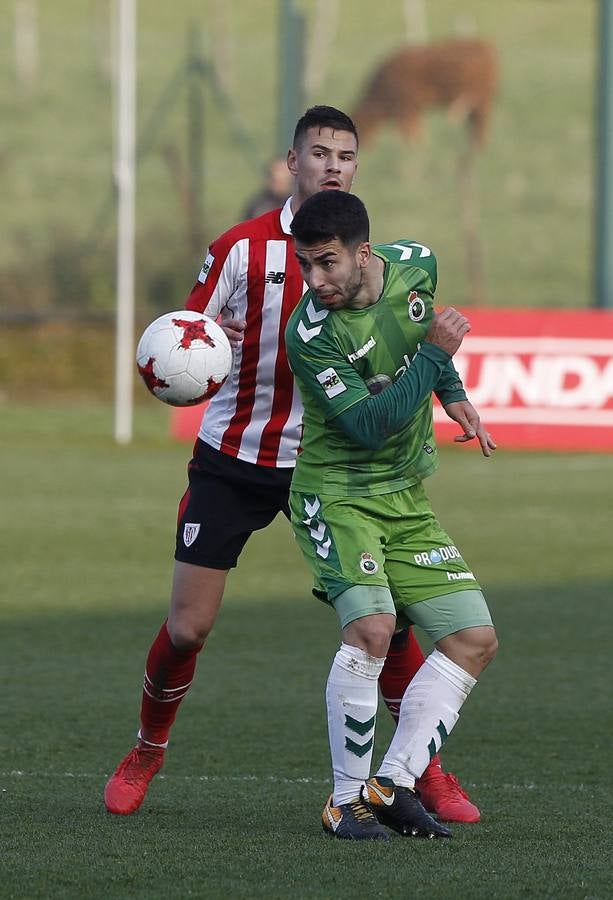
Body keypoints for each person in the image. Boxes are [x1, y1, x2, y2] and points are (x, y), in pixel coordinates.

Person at [104, 106, 484, 822]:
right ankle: (146, 748)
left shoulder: (368, 256)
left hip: (335, 467)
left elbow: (407, 333)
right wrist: (216, 334)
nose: (332, 165)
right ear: (292, 161)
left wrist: (449, 389)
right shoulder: (240, 249)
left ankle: (420, 773)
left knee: (392, 622)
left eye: (344, 155)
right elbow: (178, 340)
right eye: (319, 153)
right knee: (188, 627)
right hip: (236, 458)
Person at [285, 190, 498, 840]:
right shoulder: (310, 334)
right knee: (373, 629)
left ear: (363, 254)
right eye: (304, 265)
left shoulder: (417, 264)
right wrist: (438, 357)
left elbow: (414, 326)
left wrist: (451, 391)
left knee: (472, 641)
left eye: (325, 263)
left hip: (405, 497)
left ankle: (391, 783)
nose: (313, 280)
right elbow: (371, 425)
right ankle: (343, 800)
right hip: (337, 494)